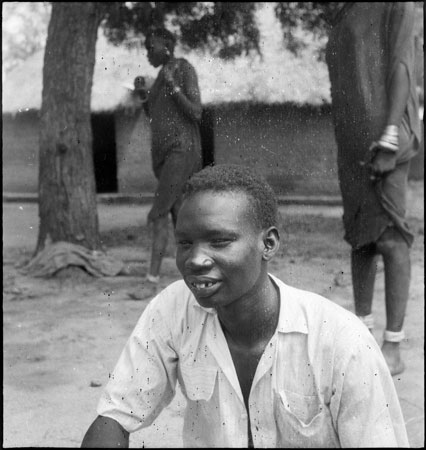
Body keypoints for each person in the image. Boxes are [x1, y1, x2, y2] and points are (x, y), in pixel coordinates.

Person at [82, 164, 409, 448]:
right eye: (185, 243)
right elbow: (115, 416)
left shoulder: (340, 340)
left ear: (268, 244)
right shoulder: (173, 310)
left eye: (220, 241)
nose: (195, 259)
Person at [325, 2, 421, 376]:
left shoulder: (397, 4)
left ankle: (393, 346)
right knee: (360, 238)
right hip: (352, 143)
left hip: (386, 136)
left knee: (391, 238)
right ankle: (361, 334)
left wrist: (389, 134)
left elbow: (401, 65)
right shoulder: (344, 11)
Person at [130, 27, 203, 300]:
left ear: (167, 47)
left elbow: (196, 111)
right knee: (178, 216)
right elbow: (157, 115)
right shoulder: (162, 75)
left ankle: (151, 280)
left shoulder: (183, 69)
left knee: (158, 212)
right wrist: (144, 97)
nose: (148, 53)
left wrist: (173, 87)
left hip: (180, 151)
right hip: (163, 156)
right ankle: (195, 279)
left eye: (151, 47)